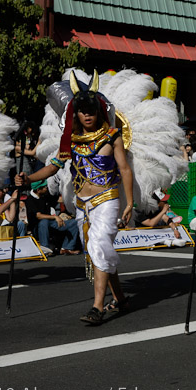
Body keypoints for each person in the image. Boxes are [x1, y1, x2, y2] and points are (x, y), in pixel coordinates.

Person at [16, 70, 133, 325]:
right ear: (76, 113)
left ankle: (97, 307)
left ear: (99, 111)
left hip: (107, 199)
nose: (88, 115)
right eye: (83, 111)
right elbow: (53, 166)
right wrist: (29, 179)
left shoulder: (111, 136)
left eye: (91, 110)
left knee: (100, 245)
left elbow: (124, 169)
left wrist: (130, 203)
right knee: (96, 251)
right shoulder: (70, 139)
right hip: (82, 205)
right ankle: (121, 299)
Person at [24, 180, 79, 255]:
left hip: (51, 223)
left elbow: (60, 199)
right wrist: (55, 217)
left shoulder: (45, 196)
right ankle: (45, 249)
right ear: (38, 190)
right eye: (44, 187)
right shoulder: (30, 200)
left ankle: (67, 248)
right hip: (37, 227)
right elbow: (38, 216)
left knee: (73, 223)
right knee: (44, 222)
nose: (46, 188)